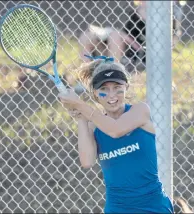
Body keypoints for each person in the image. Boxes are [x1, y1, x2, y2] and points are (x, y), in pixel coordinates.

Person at [58, 56, 174, 213]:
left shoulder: (140, 111)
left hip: (153, 206)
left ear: (126, 87)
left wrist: (80, 104)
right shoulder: (95, 125)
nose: (111, 95)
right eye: (103, 89)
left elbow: (115, 130)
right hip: (117, 208)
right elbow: (86, 161)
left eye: (117, 87)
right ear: (95, 94)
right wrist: (81, 119)